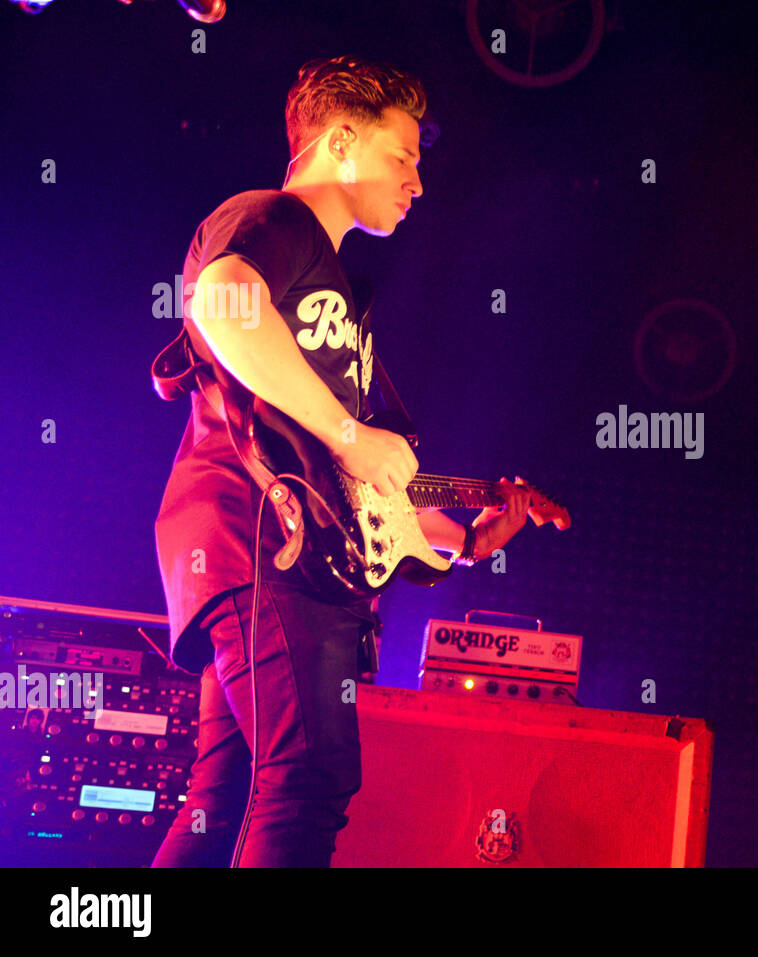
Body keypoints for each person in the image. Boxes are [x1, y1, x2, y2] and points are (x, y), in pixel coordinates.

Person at [151, 55, 531, 867]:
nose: (417, 183)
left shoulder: (335, 294)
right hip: (261, 544)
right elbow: (221, 301)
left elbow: (349, 485)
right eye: (404, 157)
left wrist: (462, 539)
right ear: (342, 141)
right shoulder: (275, 219)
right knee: (307, 781)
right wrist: (352, 434)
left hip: (253, 549)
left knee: (227, 800)